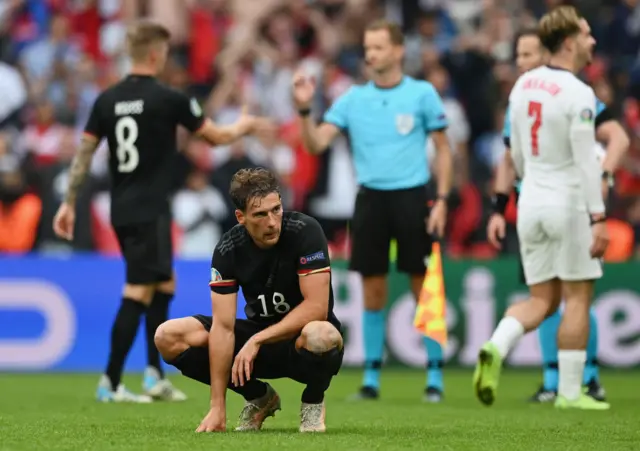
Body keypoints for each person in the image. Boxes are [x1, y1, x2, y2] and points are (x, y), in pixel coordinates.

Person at [53, 20, 265, 403]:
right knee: (139, 288)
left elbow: (84, 154)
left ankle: (153, 375)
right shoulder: (169, 98)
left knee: (163, 284)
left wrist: (69, 201)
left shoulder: (107, 100)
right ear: (156, 54)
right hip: (149, 210)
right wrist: (244, 126)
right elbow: (215, 137)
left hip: (125, 207)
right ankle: (111, 382)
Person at [292, 19, 453, 403]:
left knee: (423, 287)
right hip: (370, 200)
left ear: (398, 51)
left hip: (414, 197)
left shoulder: (422, 94)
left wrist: (443, 200)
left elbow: (445, 149)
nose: (370, 54)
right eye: (367, 47)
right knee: (373, 290)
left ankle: (434, 376)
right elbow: (315, 144)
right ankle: (372, 379)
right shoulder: (352, 99)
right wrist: (303, 111)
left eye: (378, 47)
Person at [474, 6, 610, 410]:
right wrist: (598, 216)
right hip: (567, 202)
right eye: (586, 34)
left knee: (541, 300)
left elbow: (512, 153)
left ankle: (496, 346)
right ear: (568, 42)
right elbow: (587, 160)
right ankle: (570, 393)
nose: (593, 41)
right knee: (578, 297)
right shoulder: (579, 92)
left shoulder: (523, 86)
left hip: (529, 200)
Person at [154, 168, 344, 433]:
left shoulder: (306, 231)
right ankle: (259, 397)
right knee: (168, 336)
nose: (272, 222)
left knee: (322, 334)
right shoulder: (228, 249)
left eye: (276, 209)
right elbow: (223, 327)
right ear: (241, 217)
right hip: (259, 346)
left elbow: (317, 308)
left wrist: (257, 339)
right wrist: (217, 406)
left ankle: (313, 400)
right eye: (260, 215)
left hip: (301, 342)